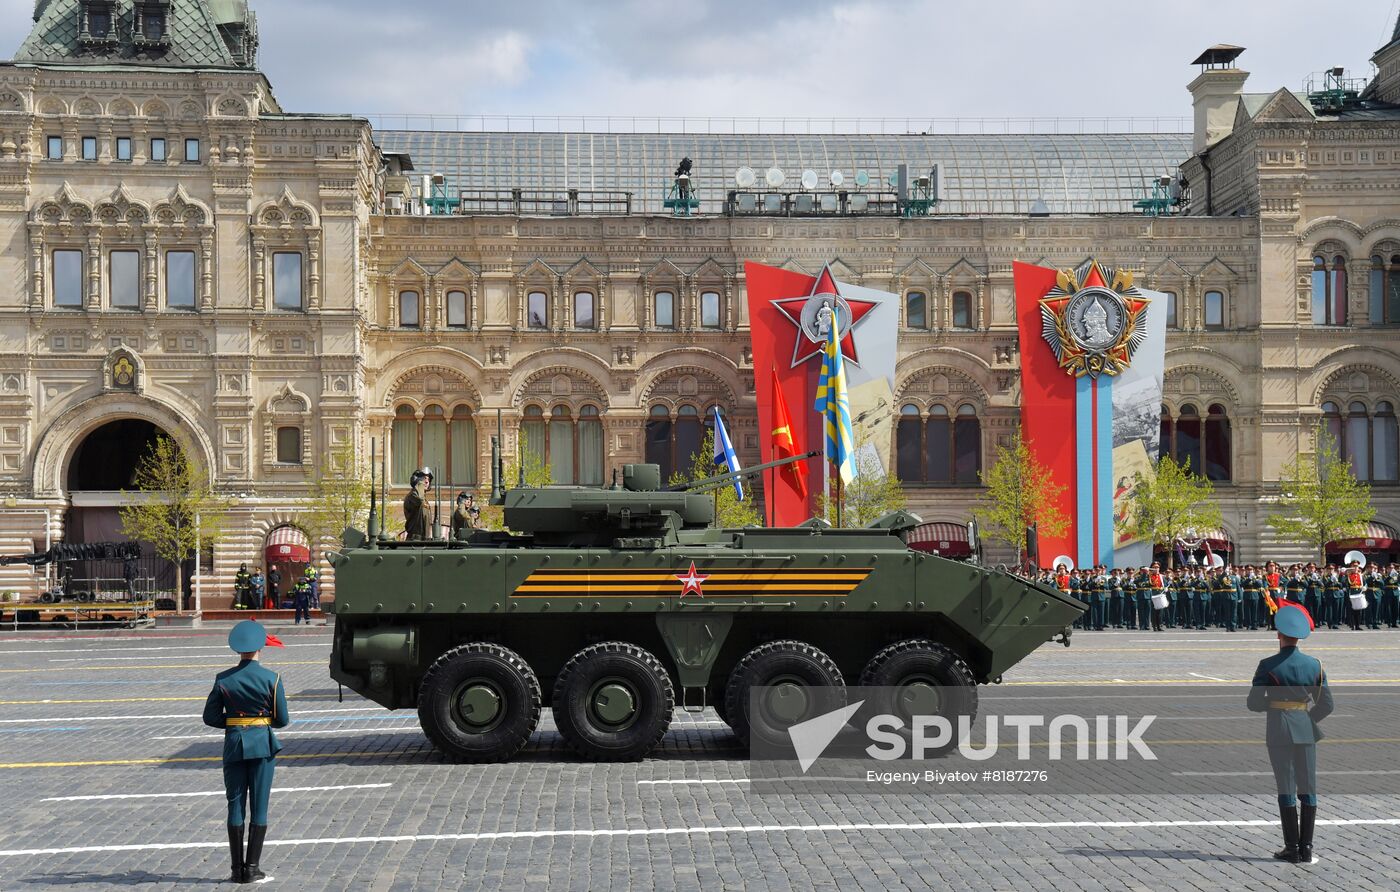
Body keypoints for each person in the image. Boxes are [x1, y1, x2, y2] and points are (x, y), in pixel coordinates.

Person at [203, 620, 289, 884]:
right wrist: (260, 723)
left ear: (238, 649)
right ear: (261, 646)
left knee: (235, 805)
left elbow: (210, 717)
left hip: (234, 744)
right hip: (262, 744)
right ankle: (252, 868)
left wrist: (234, 723)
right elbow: (282, 719)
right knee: (259, 807)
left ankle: (236, 869)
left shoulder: (223, 679)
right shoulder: (271, 678)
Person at [1246, 603, 1333, 865]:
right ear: (1300, 636)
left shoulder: (1268, 665)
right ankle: (1306, 848)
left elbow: (1253, 703)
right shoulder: (1314, 665)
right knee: (1308, 788)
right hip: (1305, 729)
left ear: (1278, 635)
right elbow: (1327, 704)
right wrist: (1306, 718)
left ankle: (1291, 848)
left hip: (1279, 730)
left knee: (1286, 786)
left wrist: (1274, 707)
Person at [404, 467, 432, 540]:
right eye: (424, 479)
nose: (426, 482)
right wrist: (420, 484)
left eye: (428, 479)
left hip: (423, 539)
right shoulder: (413, 495)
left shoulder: (423, 497)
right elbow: (420, 501)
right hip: (415, 540)